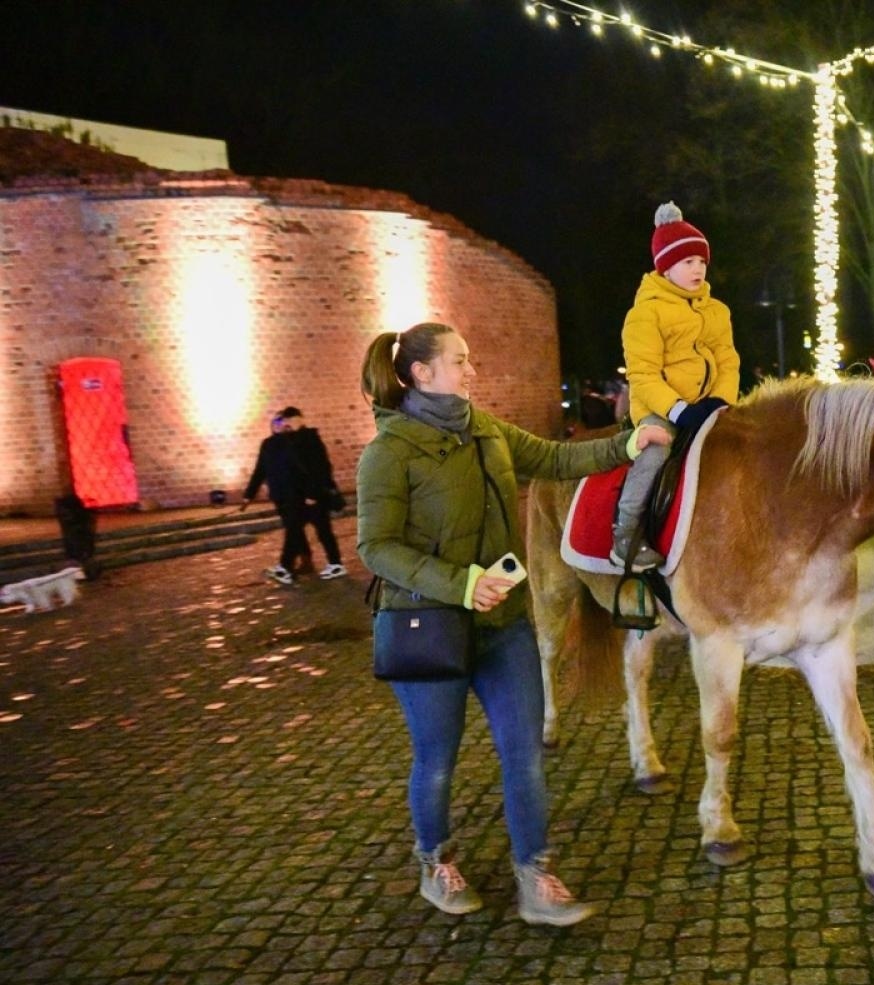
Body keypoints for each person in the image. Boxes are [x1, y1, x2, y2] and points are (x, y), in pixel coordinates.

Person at [356, 322, 669, 926]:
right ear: (422, 373)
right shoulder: (388, 452)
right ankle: (435, 862)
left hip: (504, 626)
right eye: (460, 361)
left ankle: (535, 875)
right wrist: (462, 584)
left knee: (523, 755)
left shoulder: (484, 428)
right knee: (437, 760)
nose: (471, 371)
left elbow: (554, 459)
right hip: (427, 629)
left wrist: (626, 446)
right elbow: (377, 548)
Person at [612, 201, 741, 568]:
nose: (698, 268)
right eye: (688, 262)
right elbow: (643, 374)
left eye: (701, 261)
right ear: (666, 267)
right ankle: (626, 531)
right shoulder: (644, 313)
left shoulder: (717, 310)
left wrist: (720, 401)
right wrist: (678, 410)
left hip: (710, 404)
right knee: (655, 451)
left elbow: (728, 360)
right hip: (662, 409)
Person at [244, 406, 346, 584]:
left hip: (307, 496)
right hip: (290, 496)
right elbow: (260, 470)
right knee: (297, 531)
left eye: (284, 421)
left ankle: (292, 567)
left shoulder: (306, 439)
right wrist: (249, 494)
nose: (282, 424)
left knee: (318, 530)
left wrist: (312, 493)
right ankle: (294, 566)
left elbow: (319, 468)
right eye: (278, 421)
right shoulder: (275, 443)